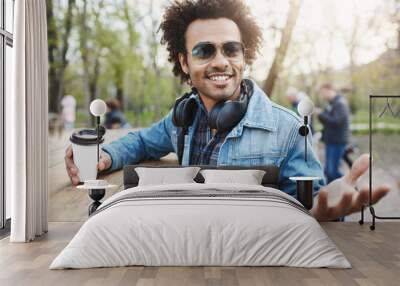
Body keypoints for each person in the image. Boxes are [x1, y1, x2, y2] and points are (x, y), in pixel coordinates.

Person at [65, 0, 389, 221]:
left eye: (230, 49)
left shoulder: (289, 129)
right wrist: (106, 155)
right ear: (184, 62)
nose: (221, 61)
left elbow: (316, 201)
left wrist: (326, 208)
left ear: (243, 57)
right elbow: (140, 141)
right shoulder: (181, 118)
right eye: (205, 50)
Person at [315, 83, 351, 183]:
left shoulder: (340, 103)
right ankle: (334, 194)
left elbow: (336, 121)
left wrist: (321, 114)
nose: (322, 96)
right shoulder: (332, 103)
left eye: (323, 93)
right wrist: (320, 115)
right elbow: (327, 122)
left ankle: (349, 186)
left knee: (332, 172)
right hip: (331, 141)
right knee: (328, 171)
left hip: (337, 141)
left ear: (329, 90)